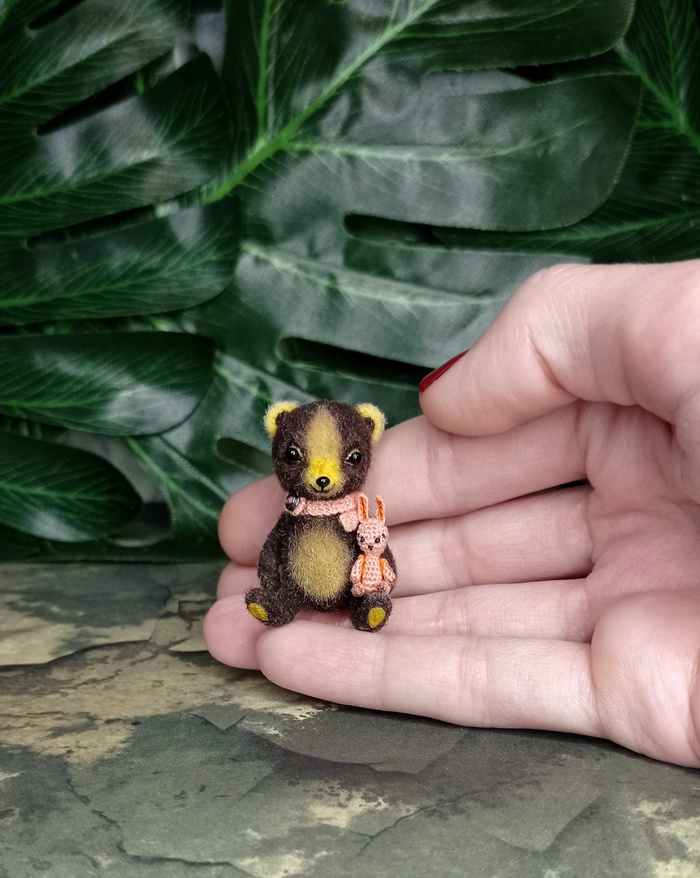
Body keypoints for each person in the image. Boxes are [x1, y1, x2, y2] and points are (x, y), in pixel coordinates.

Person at [204, 261, 700, 768]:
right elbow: (275, 545)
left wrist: (376, 556)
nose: (323, 475)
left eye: (347, 459)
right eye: (297, 456)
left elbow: (375, 547)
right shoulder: (295, 512)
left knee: (373, 568)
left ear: (368, 438)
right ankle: (282, 603)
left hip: (353, 577)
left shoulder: (361, 512)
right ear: (278, 433)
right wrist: (273, 573)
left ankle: (367, 606)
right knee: (280, 575)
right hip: (300, 577)